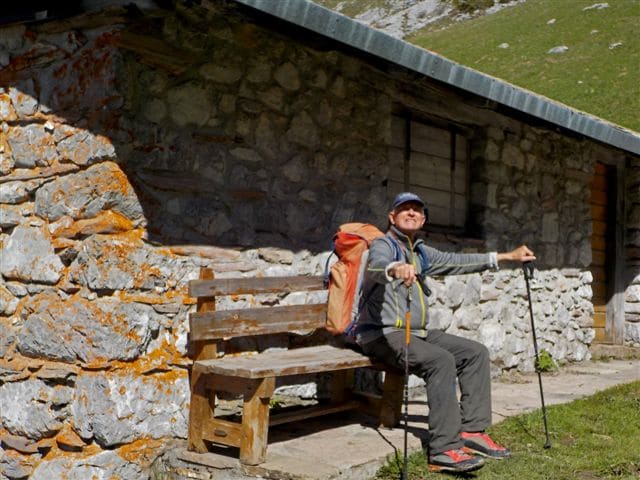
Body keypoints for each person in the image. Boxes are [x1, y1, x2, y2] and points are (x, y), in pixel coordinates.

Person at [356, 192, 536, 473]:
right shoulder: (384, 244)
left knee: (475, 353)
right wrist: (395, 268)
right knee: (440, 360)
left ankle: (472, 432)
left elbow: (458, 261)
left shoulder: (422, 253)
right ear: (392, 216)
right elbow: (377, 265)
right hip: (382, 334)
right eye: (405, 209)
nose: (412, 213)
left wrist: (507, 257)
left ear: (424, 218)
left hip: (418, 333)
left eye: (417, 210)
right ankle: (443, 449)